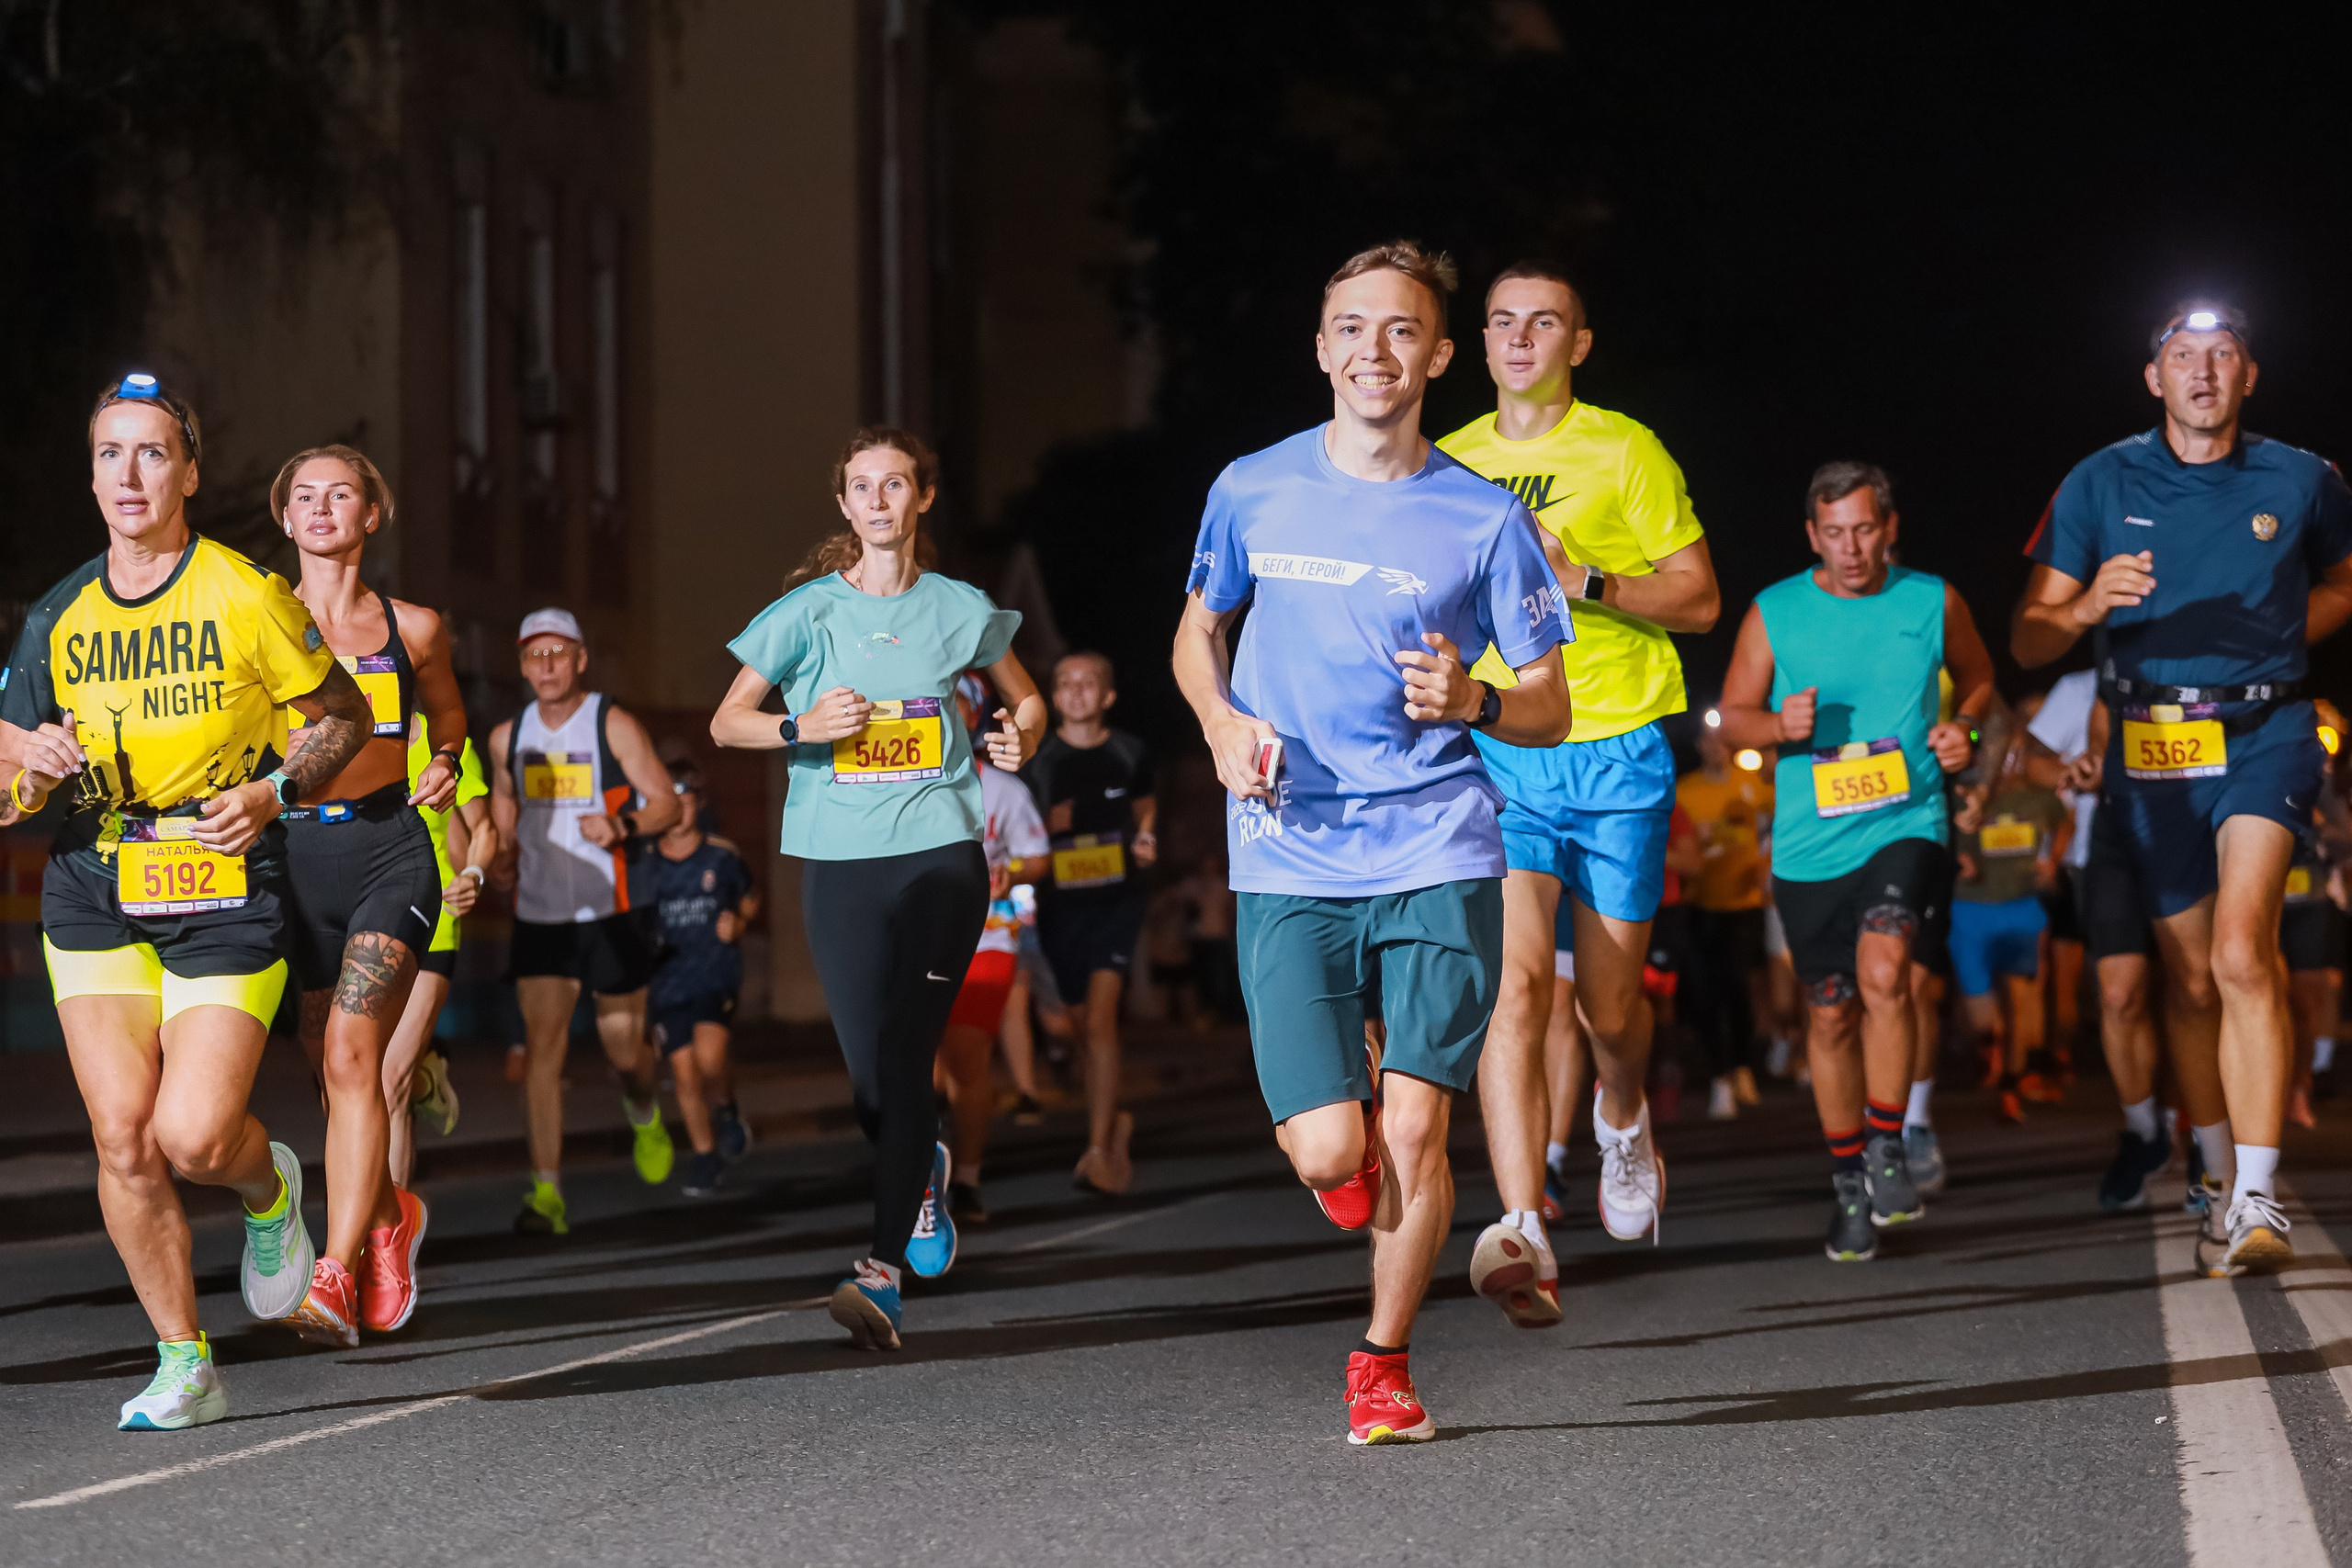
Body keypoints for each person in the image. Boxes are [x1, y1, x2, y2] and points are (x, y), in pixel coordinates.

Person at [1172, 242, 1573, 1441]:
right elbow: (1197, 633)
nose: (1374, 350)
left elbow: (1551, 698)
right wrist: (1221, 721)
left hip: (1439, 844)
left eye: (1401, 330)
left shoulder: (1485, 516)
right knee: (1331, 1144)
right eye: (1351, 326)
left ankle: (1383, 1362)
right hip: (1288, 848)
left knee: (1412, 1123)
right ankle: (1340, 1171)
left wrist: (1479, 702)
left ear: (1439, 355)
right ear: (1321, 345)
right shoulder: (1251, 486)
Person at [0, 374, 373, 1427]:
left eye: (152, 452)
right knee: (122, 1136)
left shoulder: (245, 593)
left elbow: (338, 716)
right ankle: (184, 1363)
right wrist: (24, 756)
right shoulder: (56, 614)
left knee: (195, 1137)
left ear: (190, 472)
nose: (129, 473)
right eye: (109, 453)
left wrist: (274, 791)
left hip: (218, 884)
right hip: (95, 885)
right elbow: (11, 779)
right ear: (91, 477)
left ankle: (266, 1188)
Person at [2013, 299, 2352, 1274]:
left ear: (2250, 377)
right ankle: (2211, 1166)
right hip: (2153, 745)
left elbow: (2342, 580)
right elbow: (2029, 635)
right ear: (2151, 378)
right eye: (2180, 356)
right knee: (2193, 978)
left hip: (2267, 729)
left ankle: (2255, 1195)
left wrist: (2285, 633)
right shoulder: (2099, 479)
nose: (2202, 372)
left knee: (2246, 952)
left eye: (2222, 355)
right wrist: (2081, 604)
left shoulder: (2303, 478)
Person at [712, 427, 1046, 1348]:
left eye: (894, 484)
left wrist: (1023, 732)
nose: (878, 501)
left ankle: (881, 1270)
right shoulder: (807, 613)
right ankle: (923, 1167)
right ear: (844, 505)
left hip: (941, 852)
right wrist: (801, 726)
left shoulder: (958, 609)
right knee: (872, 1083)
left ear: (920, 499)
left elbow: (1027, 697)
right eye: (861, 487)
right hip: (838, 861)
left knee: (903, 1057)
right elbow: (725, 722)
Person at [1435, 261, 1719, 1326]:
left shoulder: (1624, 448)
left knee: (1607, 1009)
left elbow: (1697, 598)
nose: (1519, 336)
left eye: (1542, 320)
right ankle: (1522, 1219)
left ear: (1578, 344)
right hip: (1502, 748)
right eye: (1502, 320)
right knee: (1516, 991)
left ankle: (1622, 1108)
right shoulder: (1447, 462)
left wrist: (1584, 579)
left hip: (1616, 750)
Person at [1718, 460, 1991, 1262]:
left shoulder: (1931, 600)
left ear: (1890, 527)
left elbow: (1978, 679)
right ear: (1813, 535)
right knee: (1830, 1011)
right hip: (1809, 846)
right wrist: (1775, 726)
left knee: (1885, 969)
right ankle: (1848, 1185)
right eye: (1834, 533)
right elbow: (1731, 717)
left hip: (1907, 820)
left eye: (1865, 529)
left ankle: (1887, 1144)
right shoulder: (1775, 611)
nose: (1851, 548)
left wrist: (1965, 732)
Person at [271, 446, 466, 1342]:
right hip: (293, 863)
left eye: (339, 494)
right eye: (303, 497)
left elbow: (451, 715)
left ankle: (332, 1277)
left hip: (390, 851)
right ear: (284, 519)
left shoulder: (414, 627)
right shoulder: (256, 621)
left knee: (357, 1056)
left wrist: (442, 761)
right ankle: (391, 1222)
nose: (320, 508)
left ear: (370, 516)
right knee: (329, 1077)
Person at [488, 607, 682, 1236]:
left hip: (612, 908)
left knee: (625, 1044)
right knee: (544, 1049)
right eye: (533, 655)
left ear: (580, 659)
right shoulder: (505, 738)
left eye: (557, 653)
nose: (545, 666)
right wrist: (502, 858)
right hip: (542, 913)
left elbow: (668, 802)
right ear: (521, 665)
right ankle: (547, 1192)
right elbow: (504, 810)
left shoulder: (610, 722)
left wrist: (622, 825)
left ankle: (643, 1105)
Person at [1025, 652, 1155, 1193]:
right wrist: (1046, 828)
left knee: (1100, 1021)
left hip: (1116, 900)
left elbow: (1147, 810)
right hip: (1060, 906)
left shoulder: (1129, 751)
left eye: (1088, 684)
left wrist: (1146, 839)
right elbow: (1023, 828)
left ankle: (1099, 1148)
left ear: (1107, 696)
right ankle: (1113, 1121)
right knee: (1073, 1026)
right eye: (1065, 684)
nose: (1076, 692)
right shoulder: (1040, 759)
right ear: (1054, 697)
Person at [935, 673, 1050, 1224]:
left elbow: (1040, 858)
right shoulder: (897, 780)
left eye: (951, 699)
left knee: (967, 1055)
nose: (938, 708)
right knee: (925, 1068)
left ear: (974, 713)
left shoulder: (1003, 788)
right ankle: (929, 1163)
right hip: (919, 943)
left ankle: (968, 1178)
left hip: (987, 938)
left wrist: (1010, 869)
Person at [385, 726, 495, 1188]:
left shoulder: (446, 744)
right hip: (356, 926)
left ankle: (385, 1241)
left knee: (389, 1081)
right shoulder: (338, 731)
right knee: (349, 1090)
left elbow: (484, 827)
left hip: (432, 923)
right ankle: (424, 1070)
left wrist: (472, 873)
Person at [1948, 715, 2072, 1123]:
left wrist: (2051, 861)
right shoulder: (1964, 794)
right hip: (1970, 908)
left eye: (2016, 752)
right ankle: (1992, 1054)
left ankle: (2012, 1082)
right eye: (2001, 751)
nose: (2008, 761)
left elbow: (2065, 822)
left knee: (2021, 999)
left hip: (2022, 906)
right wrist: (1957, 859)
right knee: (1983, 1011)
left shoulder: (2038, 798)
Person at [645, 758, 760, 1196]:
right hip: (668, 979)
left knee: (709, 1063)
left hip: (715, 971)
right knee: (685, 1073)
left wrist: (740, 923)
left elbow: (750, 897)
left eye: (686, 802)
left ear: (699, 805)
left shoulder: (721, 856)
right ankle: (706, 1155)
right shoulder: (647, 862)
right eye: (669, 803)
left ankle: (727, 1104)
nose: (678, 811)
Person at [1679, 722, 1773, 1119]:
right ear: (1699, 746)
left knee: (1738, 986)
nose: (1714, 747)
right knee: (1704, 992)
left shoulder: (1754, 787)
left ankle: (1742, 1067)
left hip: (1744, 903)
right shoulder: (1685, 790)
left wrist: (1764, 867)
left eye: (1721, 740)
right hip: (1699, 903)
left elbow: (1774, 831)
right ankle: (1719, 1077)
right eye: (1707, 740)